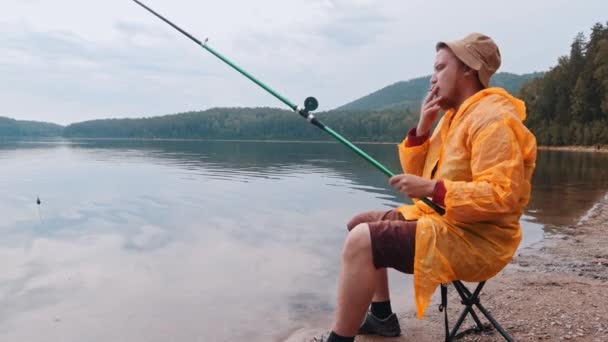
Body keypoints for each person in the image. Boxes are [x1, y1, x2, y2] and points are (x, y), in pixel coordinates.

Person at [309, 33, 537, 342]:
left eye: (441, 67)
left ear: (469, 69)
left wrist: (433, 188)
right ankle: (382, 318)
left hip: (478, 237)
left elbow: (501, 196)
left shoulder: (493, 118)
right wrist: (423, 127)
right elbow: (417, 177)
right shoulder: (452, 118)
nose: (432, 78)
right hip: (447, 221)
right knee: (359, 226)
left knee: (363, 241)